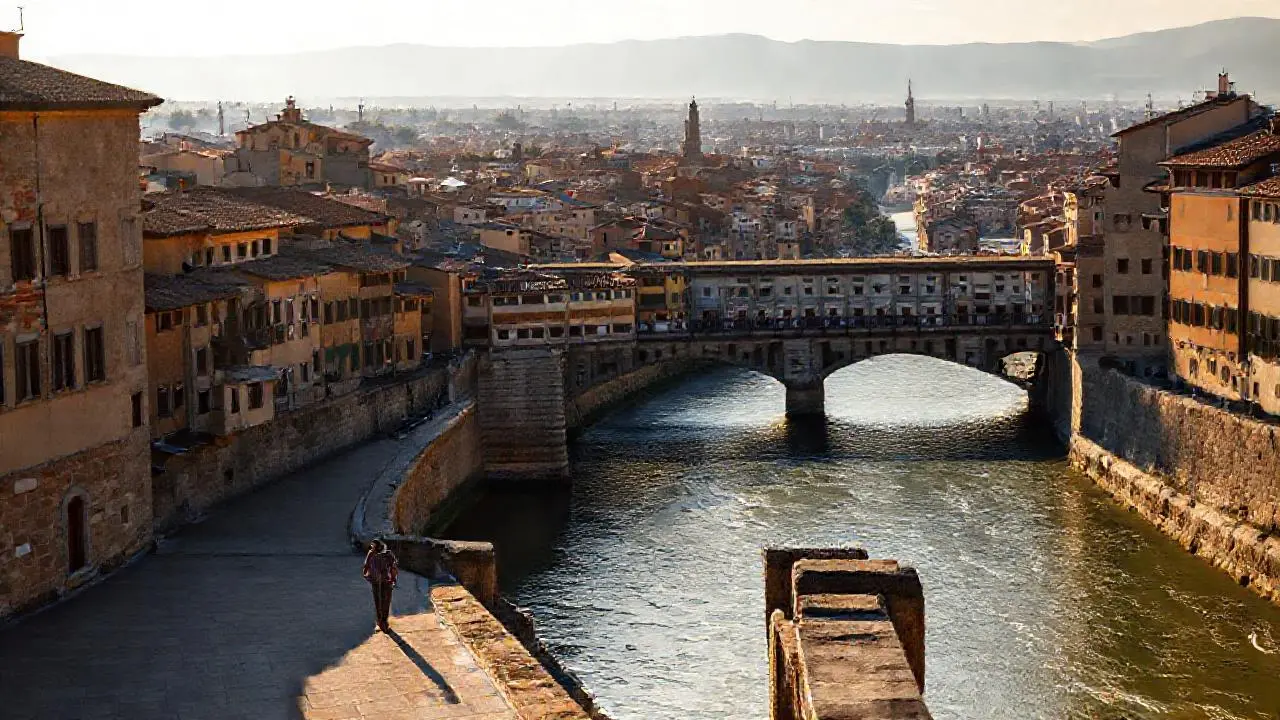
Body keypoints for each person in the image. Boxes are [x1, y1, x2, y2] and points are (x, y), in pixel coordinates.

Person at [362, 539, 399, 632]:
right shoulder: (371, 554)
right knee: (379, 601)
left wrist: (393, 579)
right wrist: (369, 577)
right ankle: (380, 622)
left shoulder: (388, 555)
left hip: (386, 581)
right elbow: (366, 567)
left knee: (385, 602)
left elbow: (393, 568)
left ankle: (384, 622)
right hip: (376, 581)